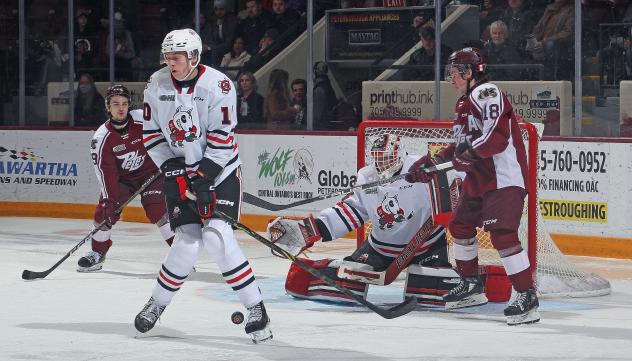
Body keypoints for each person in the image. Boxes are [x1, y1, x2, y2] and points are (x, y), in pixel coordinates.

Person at [139, 29, 272, 343]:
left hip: (221, 171)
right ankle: (156, 303)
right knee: (185, 242)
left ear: (194, 56)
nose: (170, 62)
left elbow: (222, 139)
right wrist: (172, 169)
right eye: (167, 57)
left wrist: (203, 179)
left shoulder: (219, 85)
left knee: (216, 235)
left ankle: (256, 307)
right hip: (179, 171)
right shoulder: (155, 85)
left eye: (177, 56)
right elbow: (152, 134)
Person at [406, 47, 539, 325]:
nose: (451, 78)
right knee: (460, 226)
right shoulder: (463, 103)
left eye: (454, 72)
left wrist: (461, 155)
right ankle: (471, 285)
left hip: (503, 178)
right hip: (479, 180)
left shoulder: (486, 93)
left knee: (502, 234)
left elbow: (497, 138)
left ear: (469, 72)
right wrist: (433, 161)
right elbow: (462, 144)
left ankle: (527, 295)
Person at [267, 134, 455, 304]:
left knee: (429, 285)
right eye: (378, 159)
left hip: (427, 244)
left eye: (387, 159)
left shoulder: (421, 167)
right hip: (381, 248)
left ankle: (470, 281)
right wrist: (315, 228)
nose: (382, 165)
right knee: (349, 275)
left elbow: (456, 183)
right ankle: (306, 278)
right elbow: (354, 209)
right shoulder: (367, 177)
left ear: (400, 155)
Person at [77, 84, 174, 272]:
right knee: (104, 212)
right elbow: (106, 174)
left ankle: (181, 256)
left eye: (124, 103)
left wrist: (169, 160)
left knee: (156, 209)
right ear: (107, 107)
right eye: (115, 104)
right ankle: (98, 253)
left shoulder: (142, 119)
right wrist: (110, 202)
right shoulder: (101, 138)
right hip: (123, 181)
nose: (121, 108)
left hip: (152, 174)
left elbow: (167, 135)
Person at [312, 61, 337, 130]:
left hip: (321, 128)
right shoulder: (327, 86)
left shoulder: (320, 89)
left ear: (315, 71)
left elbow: (317, 114)